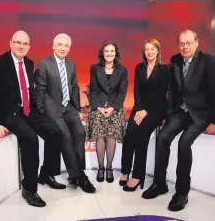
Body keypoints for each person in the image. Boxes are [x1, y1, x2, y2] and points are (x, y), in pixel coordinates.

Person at [0, 30, 66, 208]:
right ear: (11, 43)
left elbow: (28, 89)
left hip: (28, 110)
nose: (21, 46)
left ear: (29, 46)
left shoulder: (28, 62)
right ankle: (29, 189)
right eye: (18, 42)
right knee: (30, 139)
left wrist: (40, 111)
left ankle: (46, 174)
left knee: (55, 132)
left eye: (25, 44)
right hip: (9, 113)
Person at [142, 30, 215, 212]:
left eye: (189, 43)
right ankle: (160, 184)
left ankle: (182, 193)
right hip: (181, 110)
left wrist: (214, 120)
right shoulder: (175, 60)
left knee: (184, 143)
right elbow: (173, 90)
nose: (185, 47)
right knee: (163, 137)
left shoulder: (209, 61)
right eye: (182, 43)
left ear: (197, 42)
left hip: (201, 113)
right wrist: (169, 112)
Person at [34, 33, 96, 194]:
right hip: (52, 108)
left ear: (69, 48)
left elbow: (74, 87)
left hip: (69, 107)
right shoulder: (43, 63)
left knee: (80, 132)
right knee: (65, 136)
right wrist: (41, 113)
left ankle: (75, 175)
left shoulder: (71, 63)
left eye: (66, 45)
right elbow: (39, 91)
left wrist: (77, 109)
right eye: (60, 44)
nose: (63, 48)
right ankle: (80, 176)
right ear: (53, 46)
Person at [119, 39, 169, 191]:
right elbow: (137, 90)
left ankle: (137, 175)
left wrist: (146, 111)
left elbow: (161, 94)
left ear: (158, 51)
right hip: (139, 107)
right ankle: (125, 170)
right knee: (129, 135)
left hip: (157, 108)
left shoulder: (165, 69)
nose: (150, 52)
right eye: (147, 49)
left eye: (152, 49)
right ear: (144, 52)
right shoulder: (140, 67)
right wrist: (139, 109)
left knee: (141, 136)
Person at [86, 40, 128, 183]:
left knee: (110, 136)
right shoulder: (95, 68)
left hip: (114, 107)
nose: (109, 54)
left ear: (115, 53)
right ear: (102, 54)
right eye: (106, 51)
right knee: (100, 136)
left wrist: (112, 107)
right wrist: (98, 107)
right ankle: (100, 168)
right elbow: (93, 90)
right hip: (98, 106)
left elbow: (122, 92)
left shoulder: (122, 70)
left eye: (112, 51)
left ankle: (109, 168)